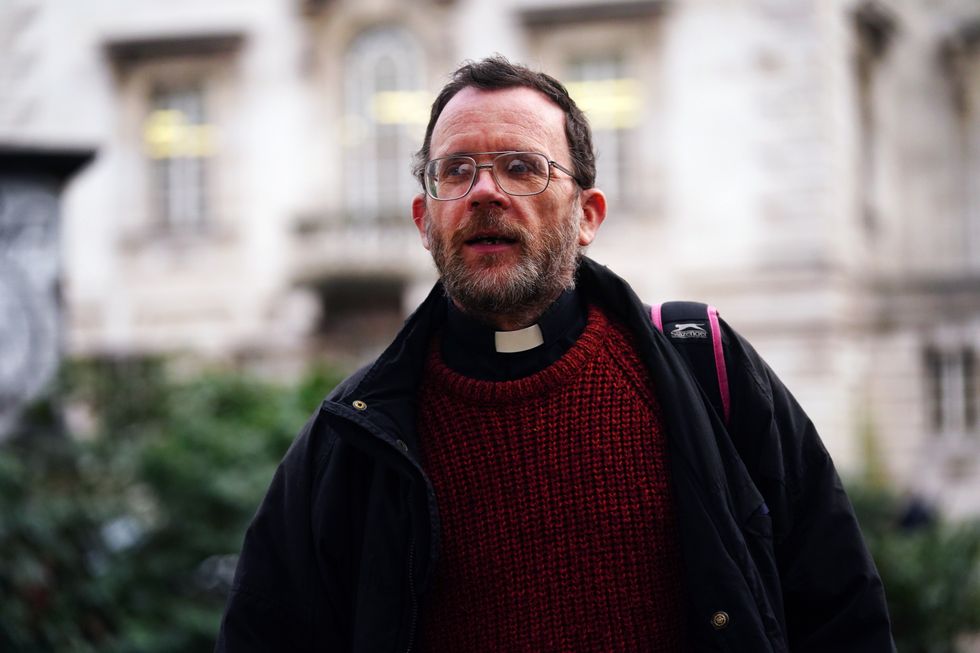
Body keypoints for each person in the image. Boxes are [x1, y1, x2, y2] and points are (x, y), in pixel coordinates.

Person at [216, 56, 895, 652]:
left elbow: (840, 613)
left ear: (588, 214)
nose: (486, 191)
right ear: (426, 221)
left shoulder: (707, 372)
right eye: (456, 171)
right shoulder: (353, 435)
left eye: (521, 167)